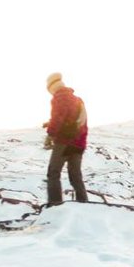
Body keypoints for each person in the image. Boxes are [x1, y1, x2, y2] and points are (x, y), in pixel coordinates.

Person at [42, 72, 89, 204]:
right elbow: (76, 121)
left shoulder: (59, 97)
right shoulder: (77, 99)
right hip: (79, 143)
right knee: (75, 176)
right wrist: (49, 123)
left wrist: (50, 135)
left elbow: (58, 118)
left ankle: (55, 205)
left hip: (64, 142)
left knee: (53, 173)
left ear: (52, 87)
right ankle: (83, 202)